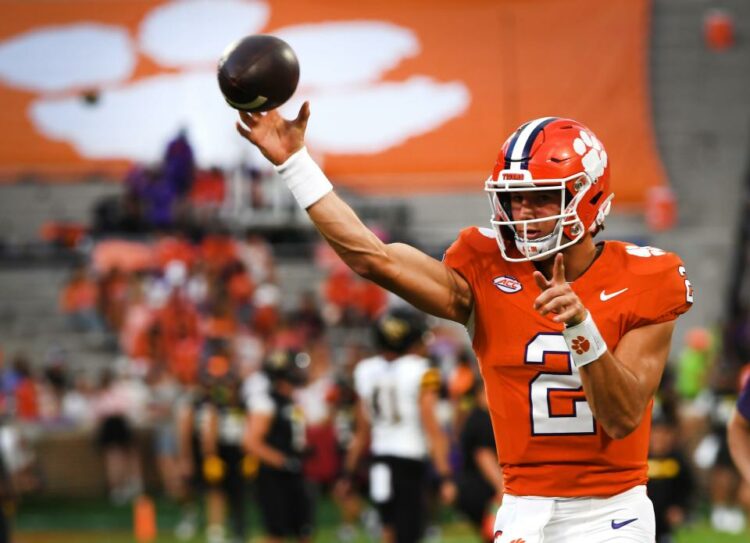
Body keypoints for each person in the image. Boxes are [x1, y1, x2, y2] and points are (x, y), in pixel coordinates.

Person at [236, 106, 694, 542]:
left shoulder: (645, 277)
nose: (523, 213)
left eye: (540, 197)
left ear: (589, 197)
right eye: (515, 199)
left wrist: (581, 328)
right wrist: (296, 165)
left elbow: (621, 417)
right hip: (522, 505)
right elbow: (374, 260)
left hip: (609, 509)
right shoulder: (486, 267)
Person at [337, 307, 456, 543]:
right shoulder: (421, 370)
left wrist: (348, 473)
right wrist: (445, 475)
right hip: (408, 462)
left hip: (379, 462)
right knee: (410, 534)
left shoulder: (365, 370)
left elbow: (362, 430)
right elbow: (432, 427)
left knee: (388, 531)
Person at [244, 348, 314, 543]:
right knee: (277, 533)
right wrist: (282, 461)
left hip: (294, 473)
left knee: (304, 530)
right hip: (273, 476)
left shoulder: (291, 401)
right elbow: (250, 442)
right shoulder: (265, 402)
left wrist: (302, 452)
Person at [455, 380, 503, 543]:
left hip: (472, 485)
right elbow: (483, 456)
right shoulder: (482, 419)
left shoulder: (475, 417)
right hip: (483, 487)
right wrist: (501, 488)